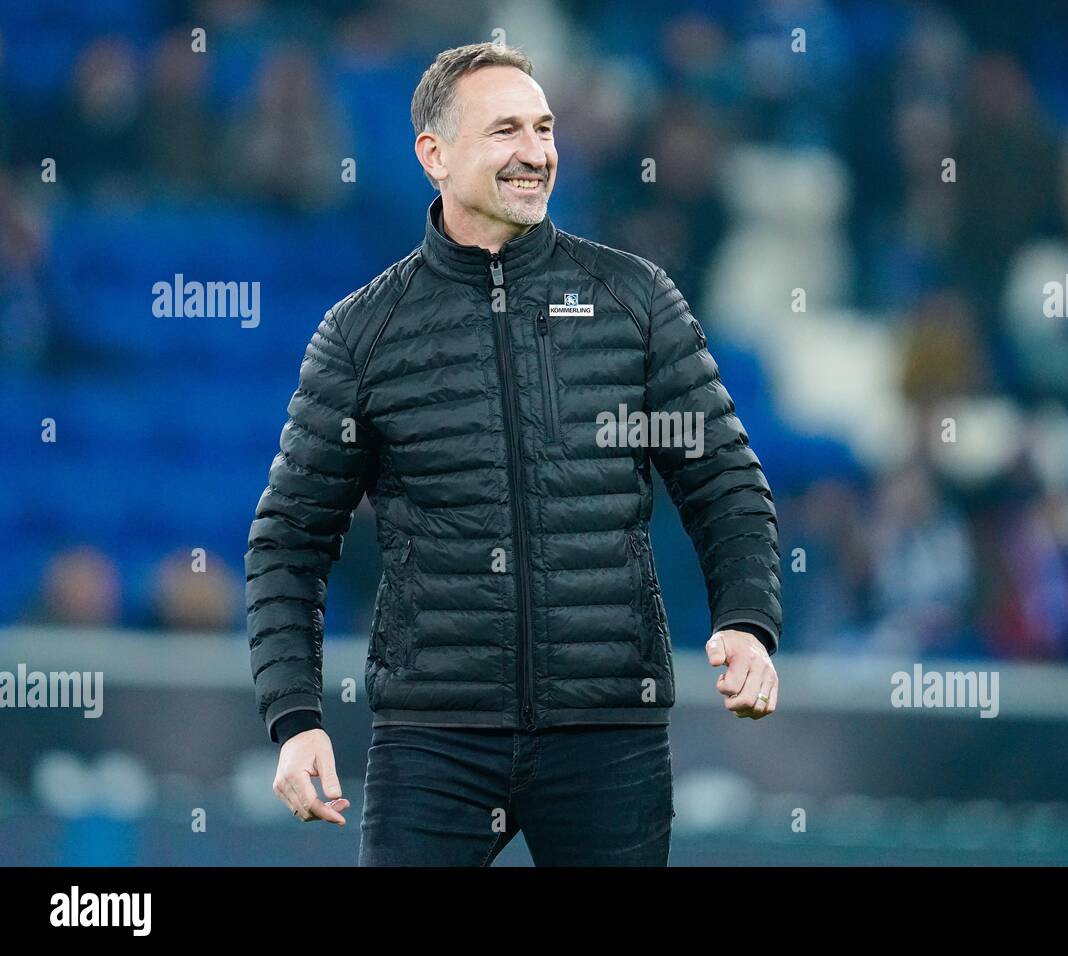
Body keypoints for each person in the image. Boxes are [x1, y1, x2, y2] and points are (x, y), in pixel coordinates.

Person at [246, 41, 782, 866]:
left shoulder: (636, 301)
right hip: (434, 742)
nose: (536, 152)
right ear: (435, 154)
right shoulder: (362, 333)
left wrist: (747, 623)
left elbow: (726, 485)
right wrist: (296, 718)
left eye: (544, 127)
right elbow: (288, 542)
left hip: (609, 735)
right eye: (505, 131)